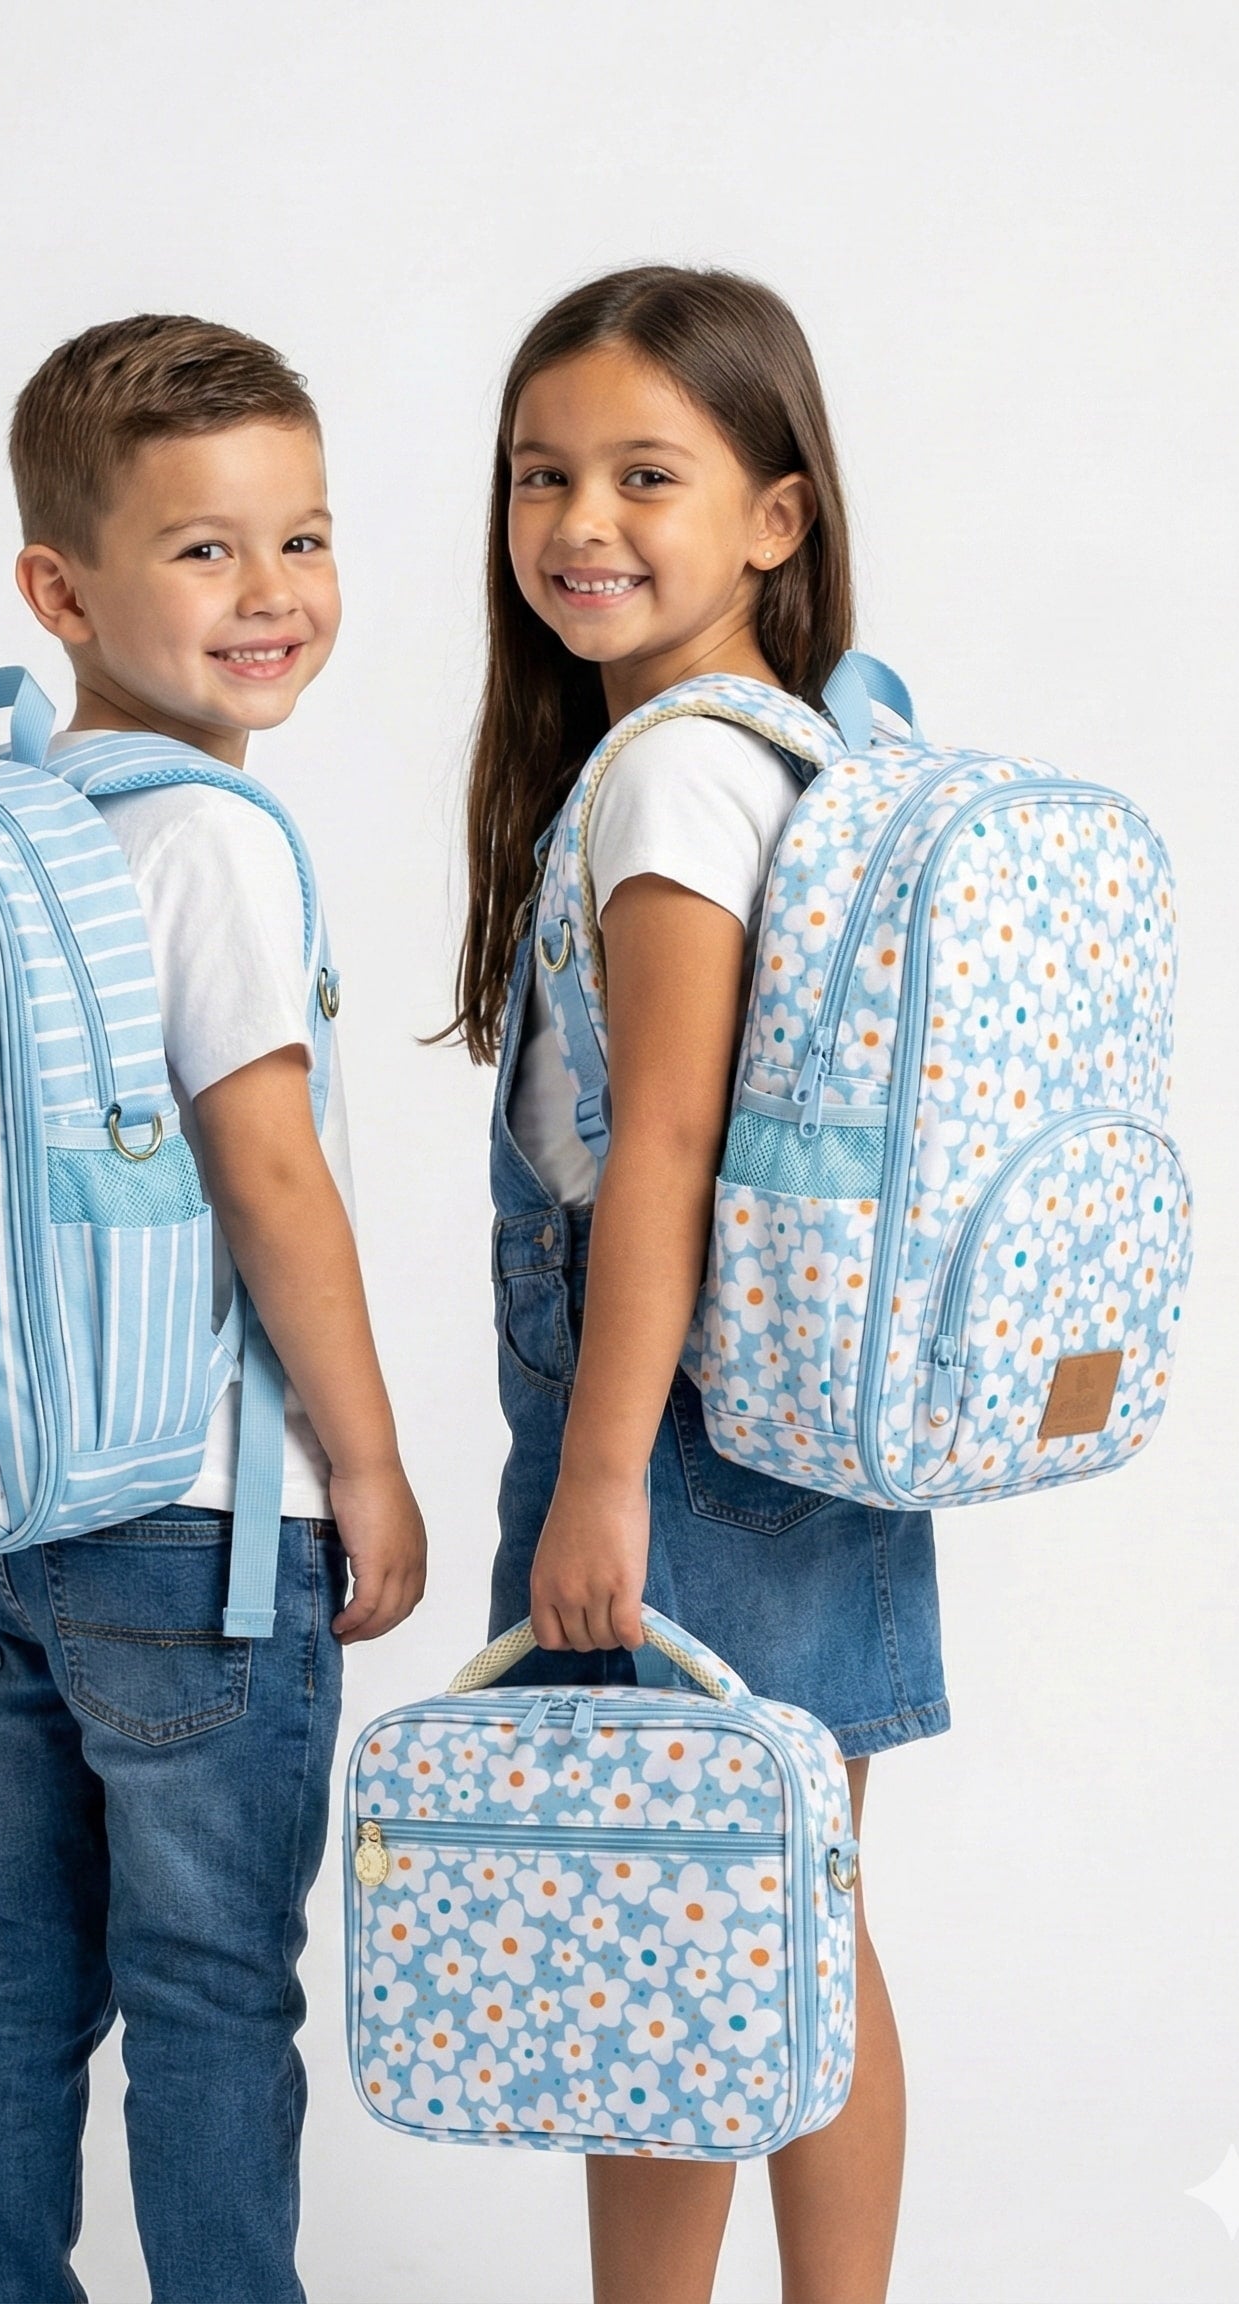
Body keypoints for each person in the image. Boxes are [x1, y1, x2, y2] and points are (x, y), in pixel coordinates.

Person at [444, 266, 947, 2304]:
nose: (581, 520)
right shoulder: (800, 750)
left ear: (774, 514)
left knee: (655, 1944)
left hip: (667, 1445)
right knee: (797, 1920)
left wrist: (599, 1481)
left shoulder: (667, 777)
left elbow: (661, 1145)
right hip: (807, 1421)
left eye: (646, 475)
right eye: (540, 474)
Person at [0, 314, 427, 2304]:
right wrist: (366, 1462)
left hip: (1, 1505)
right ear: (60, 592)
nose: (272, 591)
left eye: (303, 538)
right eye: (204, 549)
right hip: (202, 1524)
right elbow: (267, 1175)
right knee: (213, 1987)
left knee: (11, 1963)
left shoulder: (8, 820)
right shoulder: (208, 838)